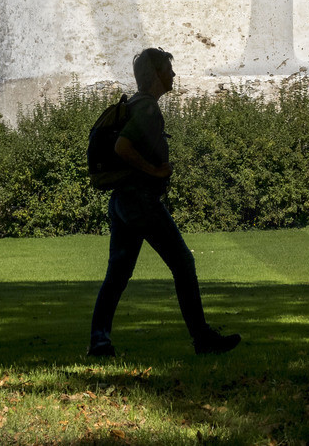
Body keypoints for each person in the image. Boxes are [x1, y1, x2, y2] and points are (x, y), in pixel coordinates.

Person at [88, 47, 241, 357]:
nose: (173, 75)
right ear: (156, 75)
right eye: (168, 70)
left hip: (121, 201)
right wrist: (155, 169)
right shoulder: (146, 109)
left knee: (117, 275)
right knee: (183, 263)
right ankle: (202, 339)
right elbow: (122, 146)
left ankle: (99, 342)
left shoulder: (133, 104)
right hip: (140, 201)